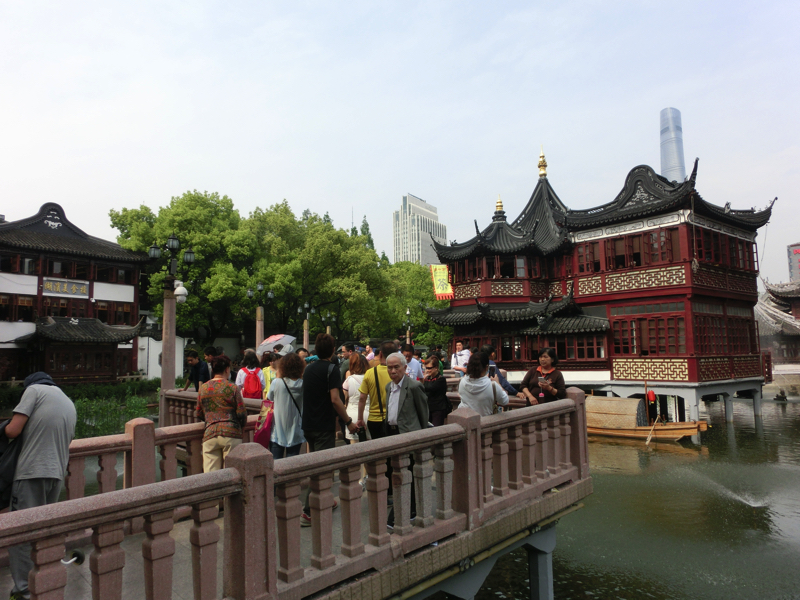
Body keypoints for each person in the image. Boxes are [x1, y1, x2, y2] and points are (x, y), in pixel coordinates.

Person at [4, 372, 77, 600]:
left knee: (22, 534)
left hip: (31, 473)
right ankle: (43, 583)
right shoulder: (67, 401)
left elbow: (13, 430)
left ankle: (24, 590)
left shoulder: (33, 390)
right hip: (55, 474)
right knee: (43, 531)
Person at [301, 333, 358, 525]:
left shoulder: (308, 369)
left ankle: (325, 500)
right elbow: (335, 399)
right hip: (323, 425)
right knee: (322, 468)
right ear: (333, 350)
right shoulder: (332, 369)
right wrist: (348, 421)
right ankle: (308, 511)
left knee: (316, 464)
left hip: (308, 424)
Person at [385, 352, 429, 528]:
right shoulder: (388, 387)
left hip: (409, 436)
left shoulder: (414, 386)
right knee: (397, 473)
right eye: (389, 367)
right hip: (392, 434)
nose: (393, 371)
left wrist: (421, 436)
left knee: (407, 473)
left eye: (396, 367)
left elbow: (423, 414)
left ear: (404, 367)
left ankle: (403, 513)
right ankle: (408, 510)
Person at [196, 354, 247, 472]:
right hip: (231, 434)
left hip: (210, 434)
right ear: (227, 369)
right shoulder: (232, 388)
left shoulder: (203, 388)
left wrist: (211, 419)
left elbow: (198, 413)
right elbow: (241, 413)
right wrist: (242, 427)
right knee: (231, 473)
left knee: (211, 476)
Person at [356, 341, 396, 440]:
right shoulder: (398, 374)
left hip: (374, 419)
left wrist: (360, 418)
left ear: (380, 354)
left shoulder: (370, 373)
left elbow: (362, 398)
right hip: (394, 419)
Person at [268, 352, 305, 459]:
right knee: (293, 463)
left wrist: (278, 376)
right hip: (296, 430)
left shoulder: (277, 383)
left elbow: (269, 398)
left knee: (276, 464)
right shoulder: (303, 384)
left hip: (277, 430)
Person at [457, 352, 509, 416]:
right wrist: (498, 383)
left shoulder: (462, 381)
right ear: (486, 367)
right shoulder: (492, 385)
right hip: (485, 420)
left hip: (465, 419)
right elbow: (505, 401)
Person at [343, 353, 369, 442]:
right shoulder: (370, 378)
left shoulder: (349, 380)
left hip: (353, 415)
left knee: (355, 446)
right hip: (370, 414)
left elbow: (344, 398)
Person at [422, 356, 450, 426]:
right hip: (428, 408)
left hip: (438, 409)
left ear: (436, 368)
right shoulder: (427, 378)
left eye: (429, 368)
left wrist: (422, 381)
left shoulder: (441, 379)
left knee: (436, 429)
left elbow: (429, 388)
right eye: (426, 368)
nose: (427, 370)